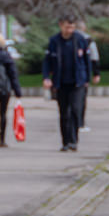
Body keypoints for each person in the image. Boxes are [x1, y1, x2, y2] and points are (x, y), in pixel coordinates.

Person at [42, 14, 98, 152]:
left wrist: (88, 78)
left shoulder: (80, 40)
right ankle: (65, 142)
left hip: (77, 82)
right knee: (63, 113)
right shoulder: (54, 41)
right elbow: (47, 61)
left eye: (72, 27)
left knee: (75, 110)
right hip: (61, 82)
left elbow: (87, 60)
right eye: (67, 27)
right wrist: (46, 77)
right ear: (61, 25)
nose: (70, 30)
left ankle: (74, 140)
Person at [74, 21, 100, 132]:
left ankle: (72, 123)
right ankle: (80, 123)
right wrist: (96, 73)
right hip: (83, 74)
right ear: (84, 28)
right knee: (81, 99)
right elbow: (94, 57)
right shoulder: (89, 40)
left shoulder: (69, 38)